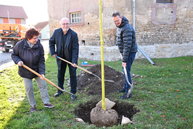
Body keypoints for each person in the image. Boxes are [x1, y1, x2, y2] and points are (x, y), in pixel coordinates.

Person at [11, 28, 54, 112]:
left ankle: (46, 102)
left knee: (43, 85)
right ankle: (33, 106)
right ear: (28, 38)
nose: (36, 40)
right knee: (29, 88)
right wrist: (18, 61)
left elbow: (41, 60)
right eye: (35, 38)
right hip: (25, 71)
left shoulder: (39, 45)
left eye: (37, 37)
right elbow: (14, 55)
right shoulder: (20, 45)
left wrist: (41, 72)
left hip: (37, 70)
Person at [49, 17, 79, 100]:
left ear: (69, 24)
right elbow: (51, 42)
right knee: (60, 74)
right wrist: (53, 52)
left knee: (73, 75)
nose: (65, 25)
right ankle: (60, 90)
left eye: (67, 23)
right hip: (60, 57)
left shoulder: (73, 34)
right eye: (63, 24)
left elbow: (75, 49)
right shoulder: (56, 32)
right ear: (60, 24)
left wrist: (74, 61)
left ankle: (73, 92)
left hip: (70, 59)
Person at [112, 12, 138, 99]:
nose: (116, 23)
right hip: (125, 53)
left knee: (126, 71)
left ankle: (128, 92)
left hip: (129, 52)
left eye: (117, 20)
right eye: (115, 21)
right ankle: (125, 87)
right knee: (124, 70)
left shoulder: (127, 28)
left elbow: (127, 46)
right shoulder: (120, 27)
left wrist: (124, 60)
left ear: (121, 18)